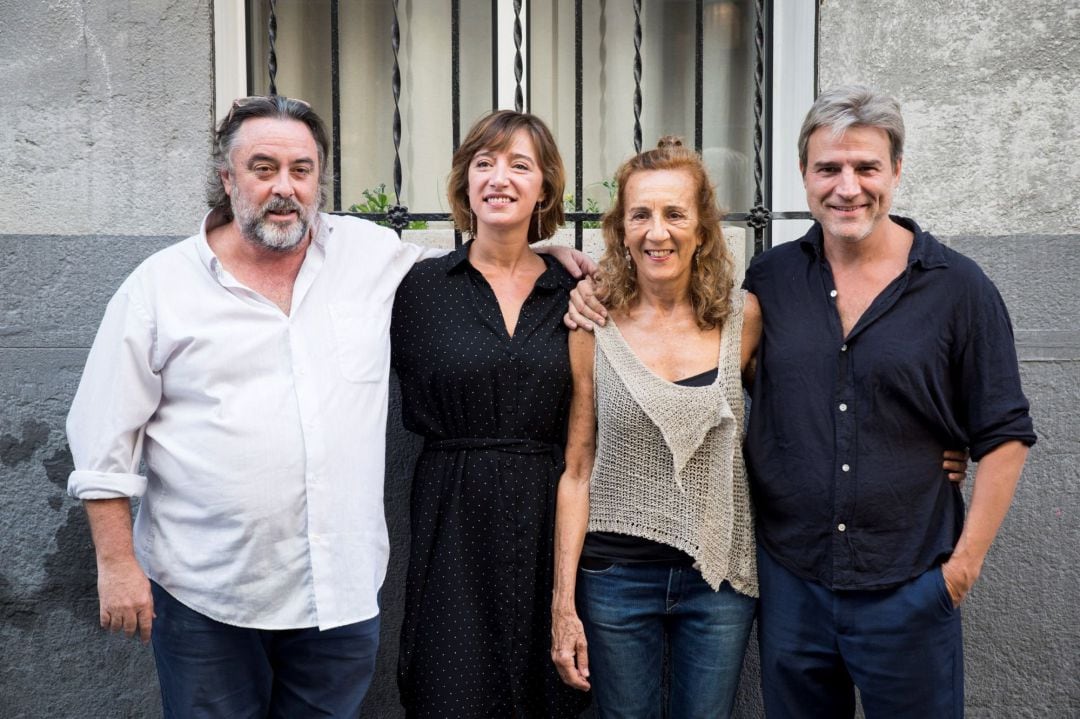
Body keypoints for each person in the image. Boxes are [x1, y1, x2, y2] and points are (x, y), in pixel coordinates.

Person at [65, 96, 593, 718]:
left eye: (301, 169)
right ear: (228, 179)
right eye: (263, 169)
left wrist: (559, 253)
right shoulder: (161, 286)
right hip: (207, 596)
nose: (284, 187)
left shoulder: (368, 258)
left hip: (336, 598)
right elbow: (103, 435)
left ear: (320, 181)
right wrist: (117, 564)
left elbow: (487, 266)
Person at [390, 110, 590, 718]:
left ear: (544, 188)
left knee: (547, 690)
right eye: (484, 163)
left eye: (519, 165)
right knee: (451, 690)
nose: (499, 178)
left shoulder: (575, 290)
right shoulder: (418, 287)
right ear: (465, 183)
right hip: (452, 516)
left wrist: (564, 258)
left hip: (547, 511)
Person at [550, 137, 759, 718]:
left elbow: (813, 401)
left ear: (702, 228)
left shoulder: (743, 319)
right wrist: (563, 604)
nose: (656, 231)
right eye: (640, 214)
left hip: (717, 580)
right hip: (615, 580)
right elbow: (577, 467)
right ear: (620, 228)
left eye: (674, 214)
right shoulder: (592, 321)